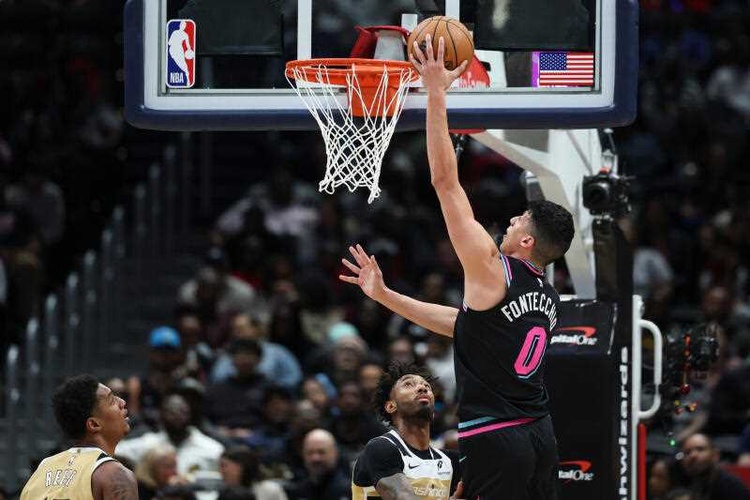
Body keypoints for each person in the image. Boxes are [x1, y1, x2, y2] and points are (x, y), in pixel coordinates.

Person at [340, 34, 575, 499]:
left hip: (497, 434)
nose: (510, 222)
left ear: (527, 241)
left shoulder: (492, 267)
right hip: (540, 434)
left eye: (518, 220)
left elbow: (446, 182)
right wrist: (385, 296)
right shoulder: (548, 297)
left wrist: (435, 92)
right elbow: (464, 326)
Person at [351, 362, 462, 499]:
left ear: (433, 412)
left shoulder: (450, 462)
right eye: (408, 384)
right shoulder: (380, 448)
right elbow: (402, 496)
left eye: (427, 386)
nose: (422, 388)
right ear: (391, 406)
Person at [20, 374, 137, 499]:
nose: (122, 402)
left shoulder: (41, 470)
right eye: (112, 400)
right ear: (94, 424)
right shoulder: (115, 475)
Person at [675, 433, 750, 499]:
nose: (693, 455)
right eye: (687, 452)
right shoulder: (682, 485)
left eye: (700, 449)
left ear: (715, 455)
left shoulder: (731, 486)